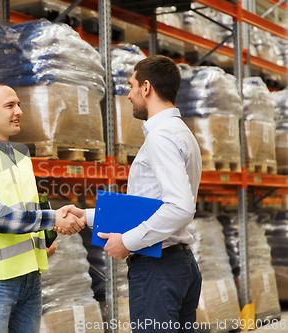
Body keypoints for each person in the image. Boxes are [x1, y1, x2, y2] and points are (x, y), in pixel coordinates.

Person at [63, 55, 202, 332]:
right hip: (177, 264)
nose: (128, 95)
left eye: (131, 86)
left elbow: (179, 207)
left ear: (146, 87)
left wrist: (128, 241)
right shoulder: (180, 132)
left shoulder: (162, 136)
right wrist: (89, 215)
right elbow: (149, 205)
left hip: (158, 269)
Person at [0, 83, 86, 333]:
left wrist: (42, 240)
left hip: (29, 277)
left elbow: (24, 209)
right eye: (10, 105)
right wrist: (52, 219)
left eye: (19, 104)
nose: (19, 111)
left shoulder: (20, 158)